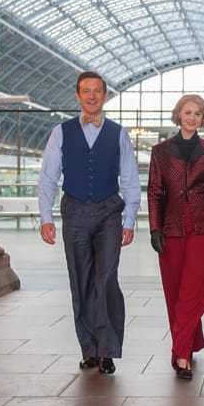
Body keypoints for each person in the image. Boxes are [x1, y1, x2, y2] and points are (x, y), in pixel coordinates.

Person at [37, 71, 141, 375]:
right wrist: (46, 217)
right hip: (75, 210)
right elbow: (48, 178)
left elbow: (131, 180)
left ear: (105, 95)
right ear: (78, 96)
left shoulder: (119, 133)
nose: (92, 96)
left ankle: (106, 349)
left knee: (106, 277)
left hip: (109, 210)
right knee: (80, 279)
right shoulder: (61, 132)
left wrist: (130, 219)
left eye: (97, 91)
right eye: (86, 91)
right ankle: (89, 347)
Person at [147, 94, 204, 380]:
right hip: (171, 228)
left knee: (194, 290)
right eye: (188, 112)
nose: (192, 117)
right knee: (175, 291)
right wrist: (154, 228)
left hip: (203, 228)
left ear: (203, 119)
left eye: (198, 113)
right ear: (179, 115)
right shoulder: (160, 151)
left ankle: (182, 354)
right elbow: (154, 192)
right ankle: (191, 340)